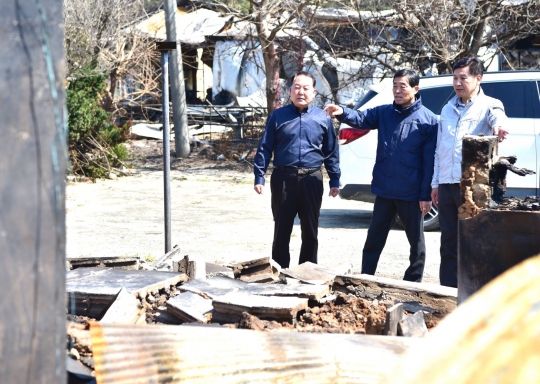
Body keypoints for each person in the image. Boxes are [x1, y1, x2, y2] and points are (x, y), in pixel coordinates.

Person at [324, 69, 438, 282]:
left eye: (402, 86)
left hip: (411, 192)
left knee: (416, 242)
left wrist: (425, 195)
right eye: (395, 85)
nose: (397, 90)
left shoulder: (428, 120)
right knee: (374, 238)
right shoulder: (385, 113)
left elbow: (429, 161)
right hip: (385, 189)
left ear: (415, 89)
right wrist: (341, 111)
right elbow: (361, 118)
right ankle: (366, 277)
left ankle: (413, 282)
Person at [431, 57, 509, 287]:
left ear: (478, 78)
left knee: (476, 242)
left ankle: (475, 292)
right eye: (454, 78)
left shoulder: (489, 104)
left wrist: (499, 126)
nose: (457, 83)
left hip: (473, 188)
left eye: (463, 78)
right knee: (448, 243)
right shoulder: (447, 108)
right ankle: (447, 292)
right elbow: (440, 148)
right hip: (446, 185)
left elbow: (498, 116)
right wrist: (435, 183)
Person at [253, 71, 341, 269]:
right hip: (283, 178)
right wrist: (259, 176)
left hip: (312, 179)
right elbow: (265, 147)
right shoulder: (277, 117)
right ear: (290, 90)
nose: (301, 92)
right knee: (282, 228)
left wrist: (334, 179)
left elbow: (331, 151)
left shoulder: (323, 118)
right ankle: (279, 270)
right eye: (297, 87)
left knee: (310, 229)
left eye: (306, 88)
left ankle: (308, 272)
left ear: (314, 92)